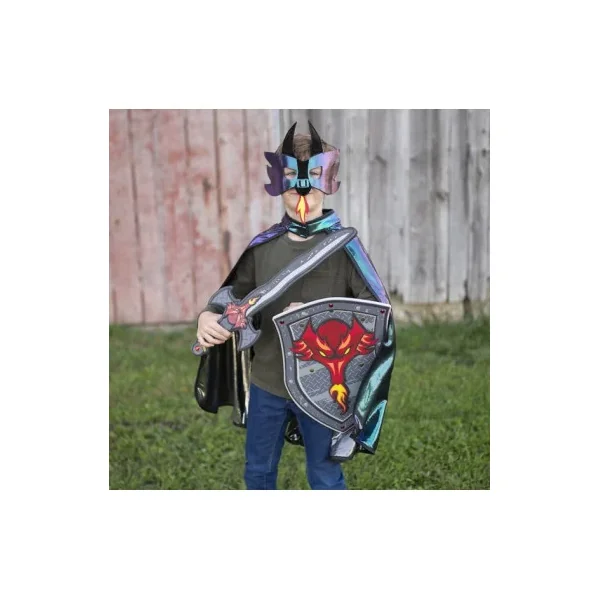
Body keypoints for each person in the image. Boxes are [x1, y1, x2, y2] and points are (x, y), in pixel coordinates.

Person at [194, 122, 396, 490]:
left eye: (313, 178)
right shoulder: (264, 247)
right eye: (291, 180)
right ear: (277, 184)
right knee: (258, 471)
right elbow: (233, 296)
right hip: (267, 383)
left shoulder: (345, 249)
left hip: (325, 388)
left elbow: (375, 315)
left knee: (324, 475)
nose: (302, 192)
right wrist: (209, 315)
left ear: (328, 182)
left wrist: (312, 317)